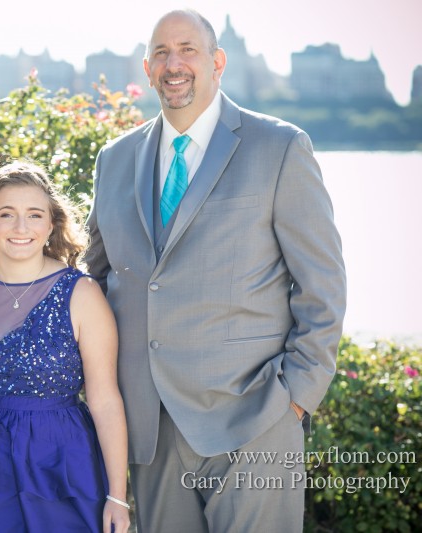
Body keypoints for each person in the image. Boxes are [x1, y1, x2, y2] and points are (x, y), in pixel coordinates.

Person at [85, 9, 347, 532]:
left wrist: (296, 399)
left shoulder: (279, 147)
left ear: (217, 62)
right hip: (150, 429)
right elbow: (91, 280)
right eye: (161, 52)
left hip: (254, 417)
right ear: (147, 67)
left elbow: (322, 285)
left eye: (187, 50)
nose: (173, 63)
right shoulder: (114, 160)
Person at [0, 161, 130, 533]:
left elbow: (105, 400)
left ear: (51, 223)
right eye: (7, 214)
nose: (21, 228)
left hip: (60, 461)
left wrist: (118, 496)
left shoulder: (82, 293)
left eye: (34, 215)